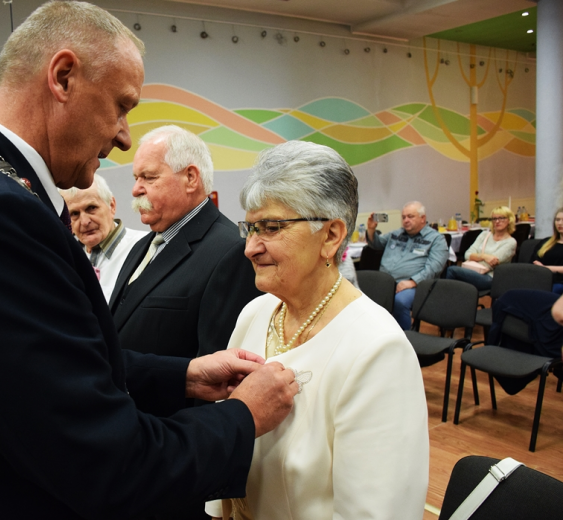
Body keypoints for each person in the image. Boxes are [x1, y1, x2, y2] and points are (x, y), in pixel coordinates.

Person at [0, 3, 297, 519]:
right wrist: (243, 418)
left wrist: (182, 374)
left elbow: (30, 370)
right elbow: (109, 465)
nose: (123, 136)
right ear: (63, 77)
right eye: (120, 106)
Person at [205, 141, 429, 520]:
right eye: (250, 227)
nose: (250, 248)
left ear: (331, 236)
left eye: (271, 227)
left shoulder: (377, 348)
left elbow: (374, 512)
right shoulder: (255, 314)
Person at [110, 125, 262, 363]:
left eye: (149, 177)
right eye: (136, 178)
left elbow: (218, 369)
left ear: (191, 178)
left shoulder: (231, 252)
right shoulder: (144, 245)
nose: (136, 189)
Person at [60, 173, 146, 301]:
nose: (84, 221)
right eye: (74, 214)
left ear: (111, 206)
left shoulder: (145, 248)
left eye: (91, 208)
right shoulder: (64, 261)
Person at [366, 201, 448, 330]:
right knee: (362, 297)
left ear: (423, 218)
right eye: (404, 217)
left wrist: (412, 282)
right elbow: (376, 244)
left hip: (416, 285)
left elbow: (435, 267)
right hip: (385, 282)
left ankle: (406, 339)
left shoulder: (436, 239)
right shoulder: (396, 233)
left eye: (411, 216)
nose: (406, 220)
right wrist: (371, 230)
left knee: (400, 301)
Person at [445, 206, 517, 291]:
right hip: (474, 271)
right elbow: (467, 254)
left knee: (451, 270)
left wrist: (475, 257)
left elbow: (490, 264)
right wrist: (484, 257)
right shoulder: (484, 235)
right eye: (494, 219)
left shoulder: (511, 242)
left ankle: (445, 301)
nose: (497, 221)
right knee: (454, 280)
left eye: (501, 218)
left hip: (491, 277)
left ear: (509, 220)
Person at [532, 207, 563, 294]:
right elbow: (533, 262)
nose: (560, 223)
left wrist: (545, 269)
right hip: (541, 279)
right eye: (557, 220)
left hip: (559, 283)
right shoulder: (545, 242)